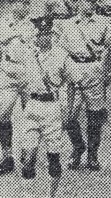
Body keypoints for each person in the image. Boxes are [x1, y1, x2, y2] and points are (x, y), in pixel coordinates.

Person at [59, 0, 111, 171]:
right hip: (73, 72)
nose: (91, 4)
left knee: (94, 117)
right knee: (68, 117)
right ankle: (77, 146)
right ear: (79, 2)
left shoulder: (102, 24)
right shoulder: (68, 25)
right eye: (87, 1)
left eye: (93, 1)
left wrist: (107, 70)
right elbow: (60, 51)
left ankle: (92, 154)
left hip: (94, 71)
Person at [17, 10, 69, 198]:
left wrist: (67, 111)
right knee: (28, 159)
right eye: (39, 34)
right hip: (32, 107)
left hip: (52, 110)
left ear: (51, 35)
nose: (42, 38)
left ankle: (51, 195)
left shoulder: (61, 56)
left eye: (46, 34)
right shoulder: (29, 53)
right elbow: (15, 40)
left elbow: (71, 83)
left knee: (53, 159)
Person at [0, 0, 34, 175]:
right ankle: (7, 156)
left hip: (28, 73)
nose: (25, 6)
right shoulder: (2, 23)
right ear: (13, 4)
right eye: (22, 2)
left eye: (27, 2)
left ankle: (28, 152)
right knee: (4, 115)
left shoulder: (34, 24)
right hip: (8, 73)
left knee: (31, 114)